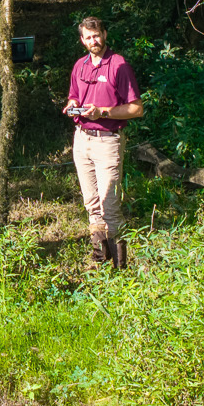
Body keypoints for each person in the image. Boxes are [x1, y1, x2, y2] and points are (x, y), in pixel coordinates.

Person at [62, 15, 142, 269]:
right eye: (88, 37)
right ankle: (100, 261)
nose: (93, 41)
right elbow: (74, 96)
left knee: (110, 205)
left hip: (108, 140)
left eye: (97, 35)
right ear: (82, 40)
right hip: (82, 139)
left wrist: (103, 112)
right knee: (91, 204)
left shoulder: (119, 65)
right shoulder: (80, 66)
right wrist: (73, 106)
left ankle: (121, 267)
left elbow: (136, 109)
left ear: (105, 35)